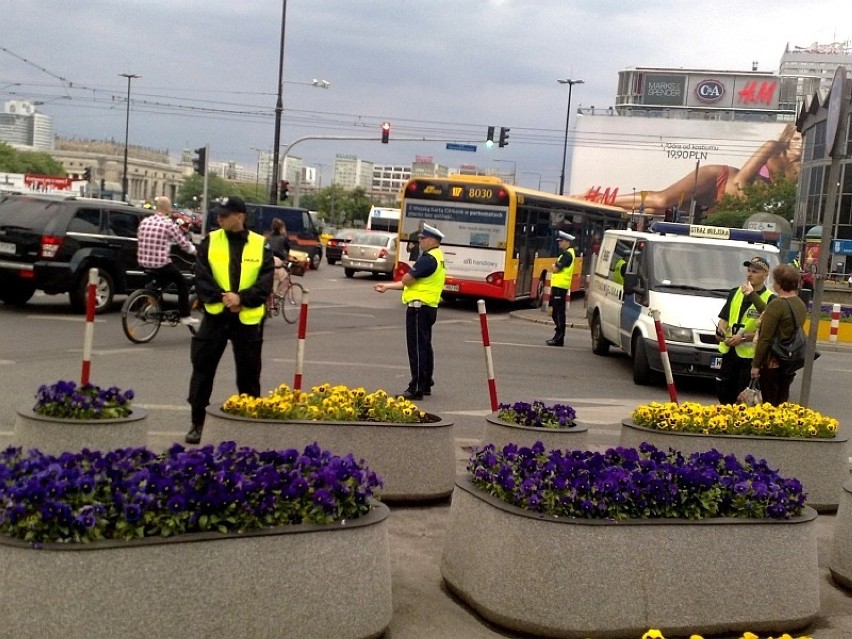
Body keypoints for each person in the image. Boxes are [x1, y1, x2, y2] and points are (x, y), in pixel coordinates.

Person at [185, 196, 274, 444]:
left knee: (248, 373)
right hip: (216, 315)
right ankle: (197, 423)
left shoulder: (260, 245)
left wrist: (242, 299)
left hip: (246, 318)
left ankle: (249, 419)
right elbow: (201, 276)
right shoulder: (210, 241)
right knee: (202, 370)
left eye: (224, 214)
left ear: (240, 216)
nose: (219, 218)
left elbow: (265, 282)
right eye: (218, 214)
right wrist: (225, 299)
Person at [604, 124, 802, 215]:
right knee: (663, 199)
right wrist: (747, 205)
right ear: (787, 137)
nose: (800, 144)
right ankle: (600, 199)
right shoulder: (772, 148)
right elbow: (740, 180)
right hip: (720, 180)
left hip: (724, 206)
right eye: (796, 138)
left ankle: (609, 206)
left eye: (804, 139)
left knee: (657, 211)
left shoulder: (800, 170)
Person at [374, 223, 446, 400]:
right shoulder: (438, 256)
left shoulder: (427, 259)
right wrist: (388, 286)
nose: (419, 241)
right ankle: (426, 381)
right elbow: (410, 283)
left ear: (431, 240)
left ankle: (416, 387)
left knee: (417, 348)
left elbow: (407, 279)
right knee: (425, 346)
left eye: (422, 238)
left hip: (418, 308)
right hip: (429, 307)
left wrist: (392, 285)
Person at [715, 256, 775, 404]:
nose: (749, 274)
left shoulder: (770, 299)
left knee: (742, 397)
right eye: (748, 271)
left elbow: (768, 332)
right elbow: (724, 318)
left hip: (749, 356)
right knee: (723, 391)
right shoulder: (735, 293)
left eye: (754, 271)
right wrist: (720, 331)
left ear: (765, 275)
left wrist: (742, 338)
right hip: (730, 352)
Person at [136, 195, 198, 326]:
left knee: (162, 282)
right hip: (160, 263)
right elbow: (183, 243)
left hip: (143, 262)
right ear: (167, 208)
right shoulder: (167, 223)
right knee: (182, 283)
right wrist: (195, 252)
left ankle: (154, 305)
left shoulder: (145, 221)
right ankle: (185, 316)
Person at [751, 264, 807, 405]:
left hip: (772, 361)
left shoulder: (777, 305)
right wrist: (752, 295)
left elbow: (765, 339)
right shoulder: (799, 304)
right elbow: (770, 312)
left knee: (769, 403)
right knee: (782, 400)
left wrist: (756, 365)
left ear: (779, 284)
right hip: (789, 360)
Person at [547, 230, 575, 347]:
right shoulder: (566, 254)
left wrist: (554, 266)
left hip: (560, 287)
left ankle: (559, 337)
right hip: (558, 286)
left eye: (561, 241)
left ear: (567, 242)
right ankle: (558, 335)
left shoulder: (567, 254)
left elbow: (556, 269)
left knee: (558, 313)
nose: (559, 243)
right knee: (555, 312)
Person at [266, 217, 291, 295]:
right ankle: (276, 294)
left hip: (267, 260)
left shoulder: (268, 236)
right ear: (281, 228)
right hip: (276, 261)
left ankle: (270, 296)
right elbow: (287, 249)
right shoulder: (283, 238)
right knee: (286, 278)